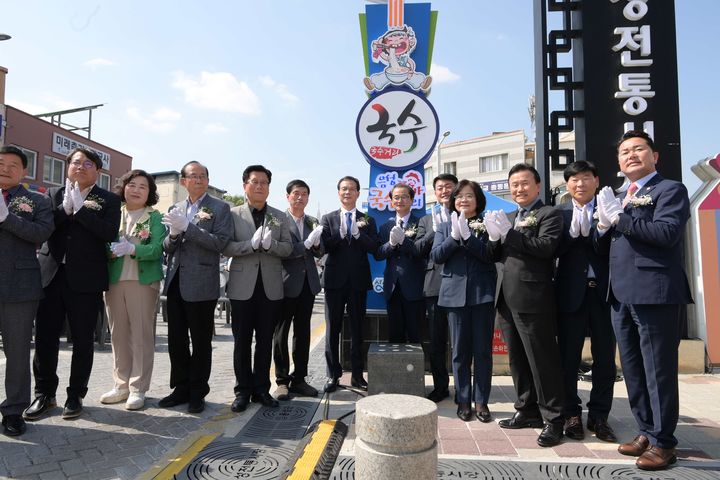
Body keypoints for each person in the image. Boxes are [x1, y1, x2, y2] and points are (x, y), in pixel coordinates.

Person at [595, 130, 692, 471]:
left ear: (655, 156)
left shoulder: (670, 190)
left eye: (638, 149)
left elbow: (666, 234)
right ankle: (646, 431)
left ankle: (665, 443)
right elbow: (609, 244)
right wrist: (602, 226)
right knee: (633, 369)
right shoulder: (619, 195)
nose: (631, 155)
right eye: (624, 152)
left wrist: (621, 218)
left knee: (657, 370)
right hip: (620, 293)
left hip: (654, 292)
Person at [24, 147, 121, 421]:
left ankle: (75, 394)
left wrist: (80, 211)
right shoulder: (51, 195)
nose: (80, 166)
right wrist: (63, 211)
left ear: (97, 172)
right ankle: (44, 394)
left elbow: (109, 232)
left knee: (82, 340)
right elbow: (43, 229)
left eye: (87, 163)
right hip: (51, 275)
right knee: (45, 337)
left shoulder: (109, 199)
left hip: (86, 279)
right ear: (68, 167)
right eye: (75, 162)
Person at [484, 163, 565, 447]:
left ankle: (555, 419)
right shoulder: (507, 216)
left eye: (524, 183)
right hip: (505, 297)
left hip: (533, 298)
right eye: (514, 184)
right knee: (517, 359)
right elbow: (494, 255)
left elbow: (546, 247)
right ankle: (527, 409)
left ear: (538, 186)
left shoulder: (549, 214)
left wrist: (510, 234)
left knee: (541, 360)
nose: (519, 189)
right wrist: (494, 238)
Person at [159, 161, 232, 414]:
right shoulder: (175, 207)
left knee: (200, 341)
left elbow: (220, 243)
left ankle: (197, 392)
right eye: (193, 176)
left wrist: (188, 227)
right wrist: (175, 234)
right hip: (176, 281)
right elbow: (167, 247)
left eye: (203, 176)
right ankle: (180, 388)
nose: (199, 180)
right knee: (176, 340)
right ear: (183, 181)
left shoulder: (220, 208)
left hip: (202, 283)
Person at [554, 161, 617, 442]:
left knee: (605, 359)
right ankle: (571, 415)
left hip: (604, 293)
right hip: (570, 294)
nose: (580, 184)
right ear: (568, 185)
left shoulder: (610, 208)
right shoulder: (559, 213)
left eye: (586, 178)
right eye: (574, 180)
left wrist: (601, 228)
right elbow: (553, 250)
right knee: (568, 358)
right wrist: (571, 236)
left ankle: (599, 417)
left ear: (596, 180)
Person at [223, 165, 292, 412]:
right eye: (255, 182)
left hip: (271, 288)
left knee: (264, 341)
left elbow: (288, 249)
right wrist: (249, 246)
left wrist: (271, 245)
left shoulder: (279, 216)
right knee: (242, 341)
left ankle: (262, 389)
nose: (260, 186)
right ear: (245, 186)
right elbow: (226, 247)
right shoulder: (233, 214)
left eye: (264, 182)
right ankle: (242, 391)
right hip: (242, 287)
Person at [430, 180, 497, 422]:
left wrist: (469, 238)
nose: (463, 200)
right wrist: (454, 238)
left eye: (469, 196)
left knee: (482, 351)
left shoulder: (487, 222)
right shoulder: (445, 226)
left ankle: (481, 402)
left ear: (478, 200)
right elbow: (436, 256)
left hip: (482, 294)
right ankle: (463, 400)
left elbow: (491, 255)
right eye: (459, 197)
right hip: (453, 295)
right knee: (459, 352)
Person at [100, 170, 167, 411]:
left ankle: (138, 388)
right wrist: (110, 250)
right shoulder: (113, 212)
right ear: (123, 187)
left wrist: (133, 249)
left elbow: (158, 249)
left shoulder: (154, 217)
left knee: (140, 334)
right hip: (114, 280)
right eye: (132, 184)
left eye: (143, 186)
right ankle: (121, 385)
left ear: (149, 193)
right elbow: (101, 242)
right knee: (117, 334)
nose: (136, 190)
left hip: (142, 282)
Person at [0, 146, 54, 436]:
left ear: (23, 171)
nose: (5, 168)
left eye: (13, 165)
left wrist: (6, 217)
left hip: (19, 287)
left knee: (17, 352)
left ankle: (13, 410)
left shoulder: (37, 200)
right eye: (0, 163)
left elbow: (40, 234)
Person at [321, 176, 379, 393]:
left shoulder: (368, 220)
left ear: (357, 193)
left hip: (357, 282)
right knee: (332, 330)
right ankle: (332, 375)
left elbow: (374, 247)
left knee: (357, 330)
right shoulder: (328, 219)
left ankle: (357, 375)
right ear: (339, 193)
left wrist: (357, 234)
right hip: (334, 282)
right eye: (343, 189)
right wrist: (340, 235)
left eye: (352, 189)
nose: (347, 192)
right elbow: (323, 246)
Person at [272, 180, 324, 401]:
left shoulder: (313, 222)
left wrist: (316, 244)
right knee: (281, 333)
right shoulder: (277, 220)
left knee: (303, 333)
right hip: (285, 283)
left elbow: (320, 250)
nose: (300, 197)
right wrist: (304, 245)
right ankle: (282, 382)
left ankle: (300, 379)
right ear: (287, 197)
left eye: (304, 194)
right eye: (296, 193)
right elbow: (278, 250)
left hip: (307, 284)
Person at [416, 173, 458, 402]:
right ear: (435, 192)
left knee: (461, 341)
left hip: (461, 285)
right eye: (440, 187)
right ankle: (440, 386)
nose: (444, 191)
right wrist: (436, 230)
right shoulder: (425, 220)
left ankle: (463, 388)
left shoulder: (465, 213)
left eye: (449, 187)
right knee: (437, 339)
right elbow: (418, 249)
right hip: (434, 285)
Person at [374, 183, 425, 343]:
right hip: (392, 287)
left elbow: (420, 251)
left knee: (415, 335)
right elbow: (378, 254)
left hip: (415, 287)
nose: (400, 200)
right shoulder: (385, 226)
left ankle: (415, 368)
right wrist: (391, 244)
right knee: (395, 336)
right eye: (396, 197)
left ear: (411, 200)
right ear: (391, 201)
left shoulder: (421, 223)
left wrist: (403, 242)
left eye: (404, 197)